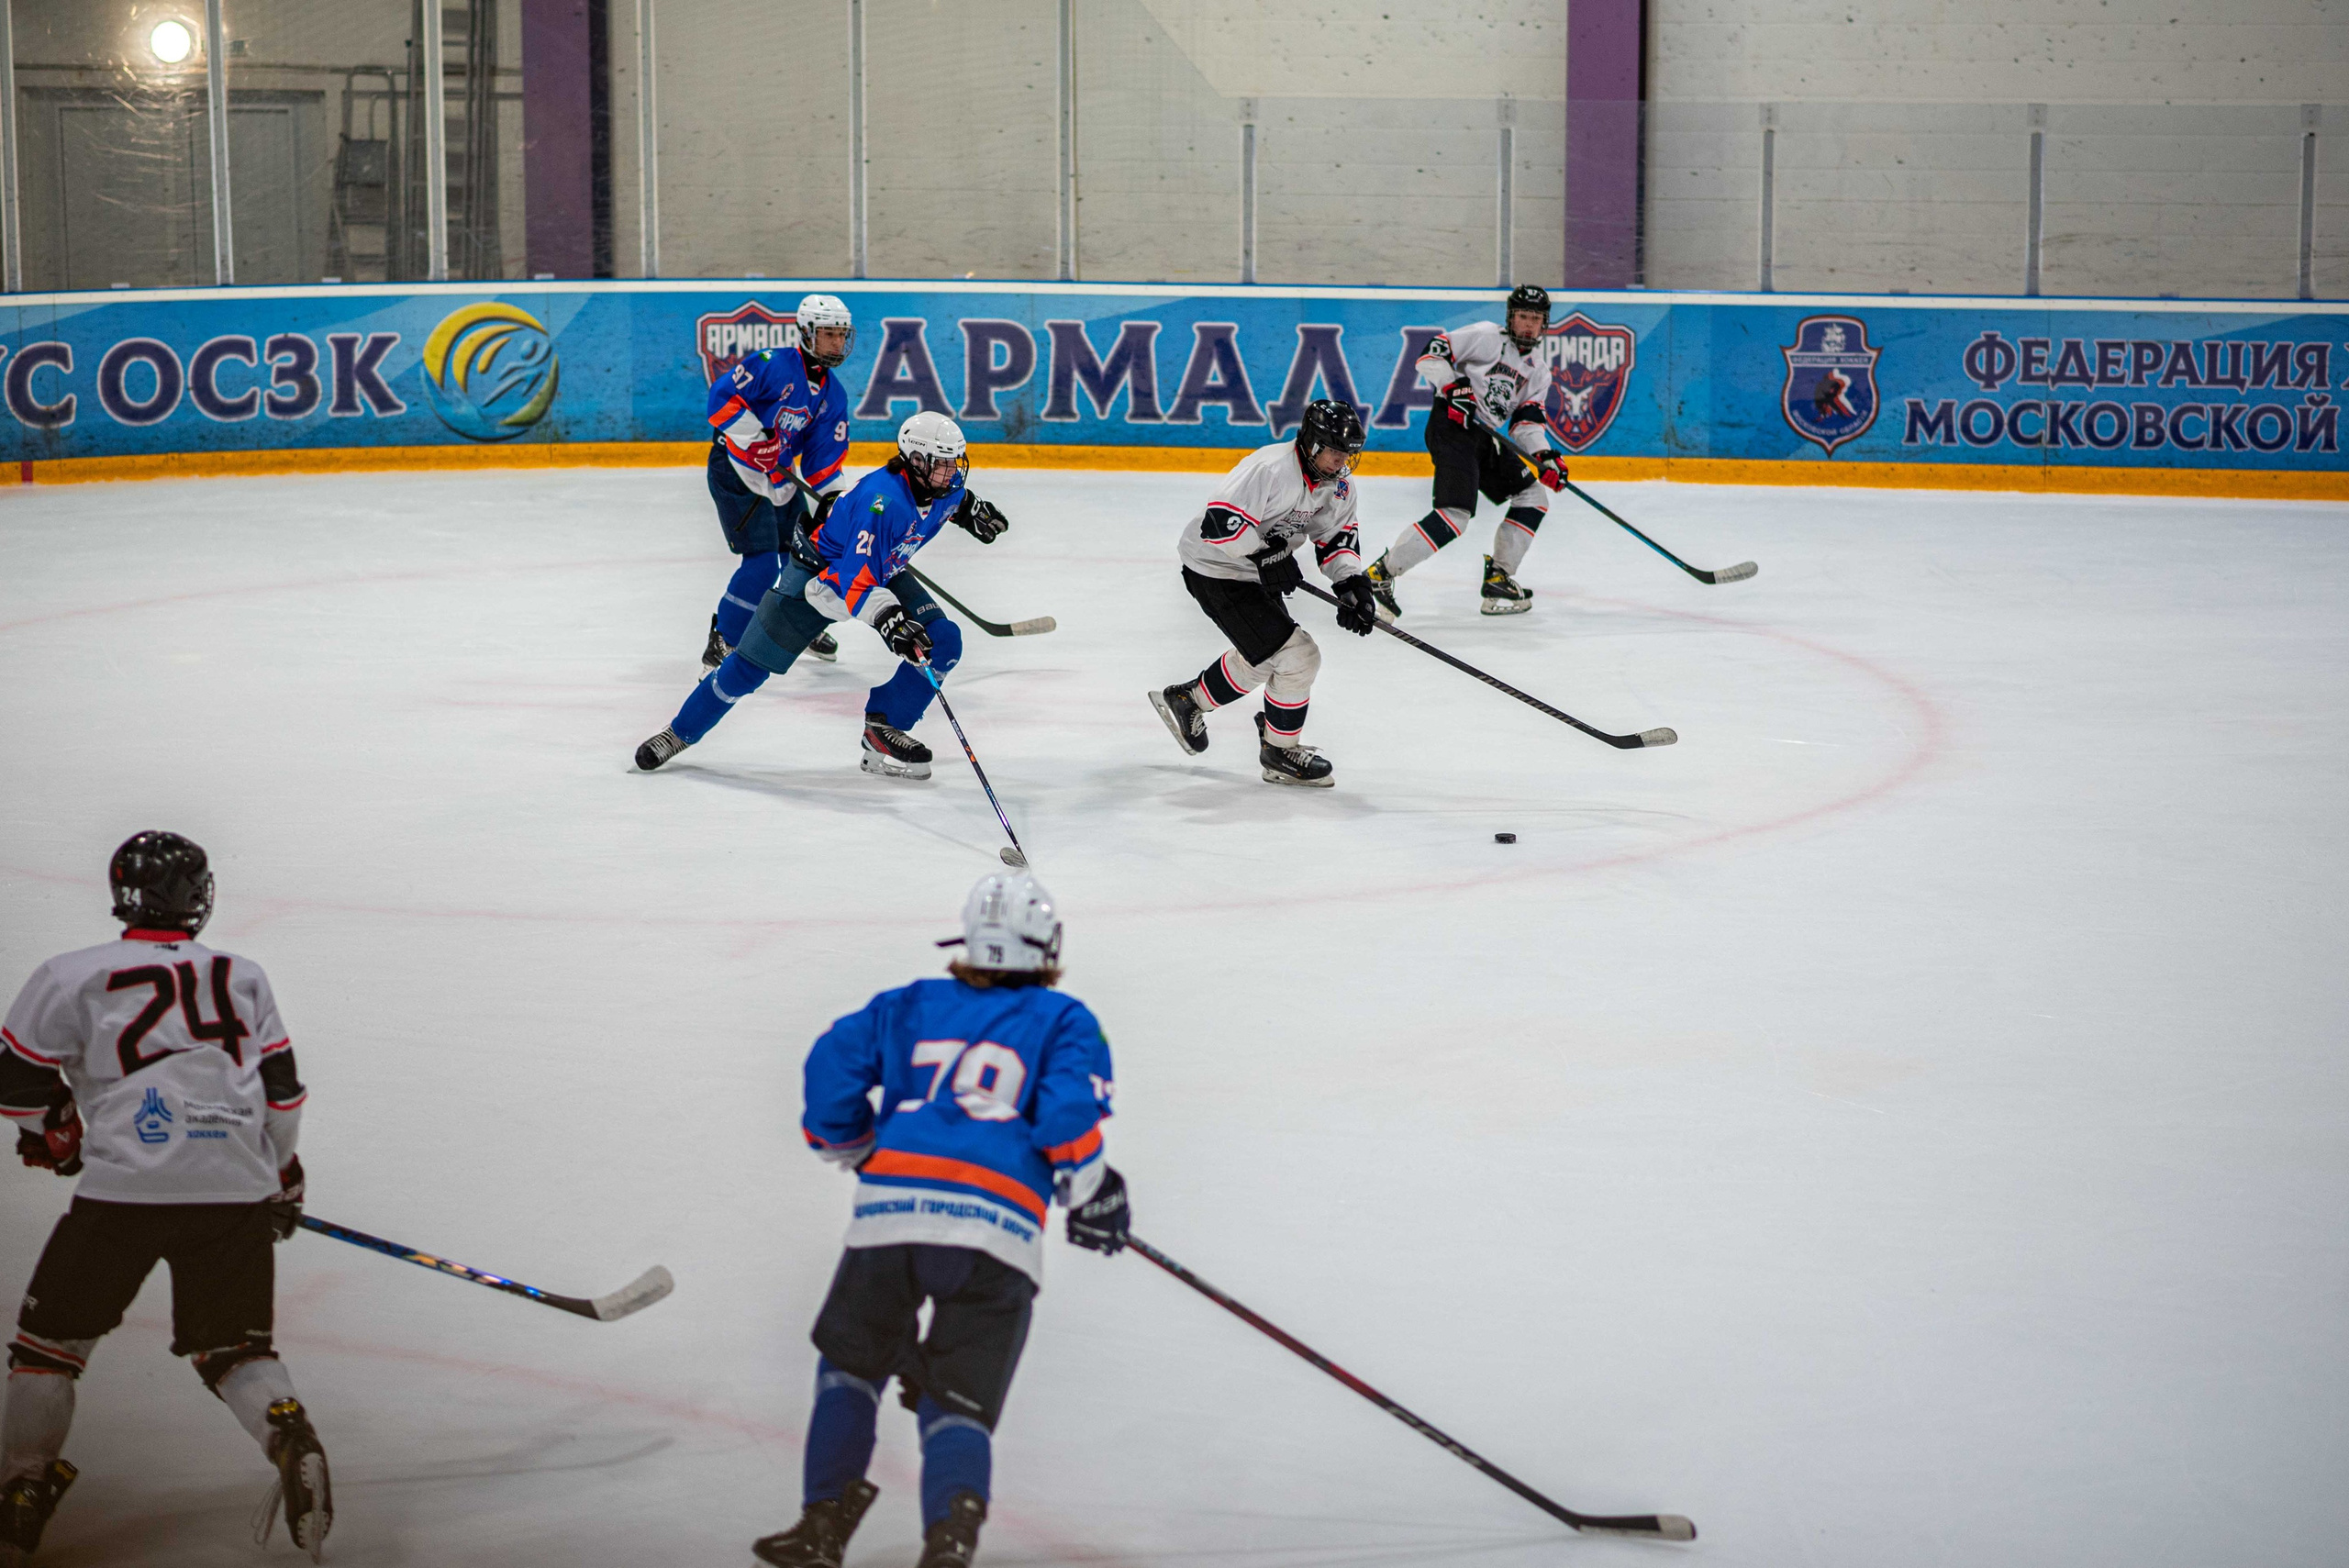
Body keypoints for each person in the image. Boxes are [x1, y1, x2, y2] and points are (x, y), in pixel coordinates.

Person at [751, 872, 1126, 1568]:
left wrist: (851, 1144)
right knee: (959, 1400)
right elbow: (1068, 1117)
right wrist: (1093, 1186)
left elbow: (831, 1064)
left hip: (889, 1216)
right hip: (997, 1229)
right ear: (1044, 944)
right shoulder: (1066, 1018)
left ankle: (821, 1525)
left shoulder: (907, 1005)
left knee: (850, 1369)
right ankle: (949, 1544)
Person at [0, 833, 328, 1562]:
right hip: (233, 1187)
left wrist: (55, 1134)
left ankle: (22, 1488)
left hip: (125, 1189)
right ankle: (288, 1429)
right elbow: (282, 1095)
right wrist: (278, 1173)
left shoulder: (69, 974)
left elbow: (16, 1084)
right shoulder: (243, 975)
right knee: (237, 1350)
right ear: (193, 895)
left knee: (47, 1350)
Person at [634, 411, 1010, 781]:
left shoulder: (944, 489)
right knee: (747, 668)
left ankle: (884, 728)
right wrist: (889, 619)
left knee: (943, 640)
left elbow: (953, 501)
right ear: (914, 461)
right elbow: (854, 581)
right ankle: (679, 732)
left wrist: (970, 510)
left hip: (880, 569)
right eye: (941, 464)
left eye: (953, 462)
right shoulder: (883, 503)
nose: (952, 472)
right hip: (818, 578)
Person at [1148, 398, 1379, 787]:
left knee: (1265, 658)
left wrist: (1351, 583)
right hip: (1216, 568)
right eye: (1333, 453)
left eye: (1347, 455)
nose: (1340, 463)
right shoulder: (1269, 468)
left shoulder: (1338, 485)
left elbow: (1336, 536)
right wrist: (1265, 554)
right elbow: (1220, 523)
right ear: (1311, 443)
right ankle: (1279, 751)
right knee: (1298, 656)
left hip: (1251, 573)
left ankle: (1189, 700)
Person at [1362, 284, 1569, 620]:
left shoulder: (1538, 371)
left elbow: (1525, 423)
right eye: (1522, 317)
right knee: (1455, 516)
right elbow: (1430, 354)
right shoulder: (1486, 336)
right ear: (1509, 318)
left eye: (1535, 318)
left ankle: (1500, 578)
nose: (1528, 324)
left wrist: (1543, 457)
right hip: (1452, 426)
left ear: (1544, 323)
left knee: (1533, 497)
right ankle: (1378, 576)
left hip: (1484, 436)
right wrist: (1452, 385)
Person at [700, 293, 858, 673]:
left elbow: (821, 464)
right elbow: (720, 400)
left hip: (779, 476)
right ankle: (723, 641)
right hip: (737, 469)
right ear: (806, 333)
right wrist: (756, 439)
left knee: (804, 556)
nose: (836, 343)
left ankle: (793, 626)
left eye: (841, 335)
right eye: (827, 335)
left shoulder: (833, 394)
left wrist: (837, 505)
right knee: (760, 564)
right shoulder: (772, 364)